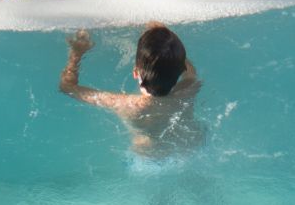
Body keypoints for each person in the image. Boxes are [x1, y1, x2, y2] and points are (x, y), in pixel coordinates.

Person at [59, 26, 205, 156]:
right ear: (180, 71)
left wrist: (76, 53)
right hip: (191, 149)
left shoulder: (126, 105)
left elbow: (68, 87)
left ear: (135, 72)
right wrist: (165, 40)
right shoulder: (189, 89)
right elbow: (188, 68)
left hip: (151, 159)